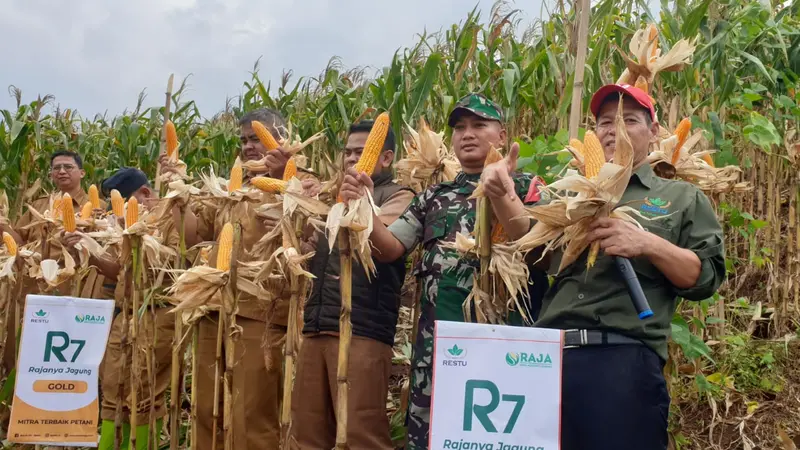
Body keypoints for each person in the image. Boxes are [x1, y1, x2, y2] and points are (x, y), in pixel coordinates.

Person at [518, 84, 725, 450]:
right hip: (547, 361)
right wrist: (505, 196)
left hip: (621, 362)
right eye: (604, 122)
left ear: (654, 132)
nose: (612, 130)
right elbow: (537, 260)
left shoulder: (680, 197)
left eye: (628, 120)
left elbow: (704, 278)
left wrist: (647, 243)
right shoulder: (569, 195)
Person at [338, 94, 548, 450]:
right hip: (441, 355)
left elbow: (534, 248)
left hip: (507, 352)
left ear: (502, 135)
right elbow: (388, 248)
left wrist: (501, 192)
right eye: (459, 127)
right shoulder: (433, 196)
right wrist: (363, 205)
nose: (467, 134)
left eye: (479, 125)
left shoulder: (528, 187)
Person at [190, 108, 320, 449]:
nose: (249, 146)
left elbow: (310, 239)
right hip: (213, 308)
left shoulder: (306, 183)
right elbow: (195, 237)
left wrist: (286, 184)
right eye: (245, 140)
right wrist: (176, 197)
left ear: (284, 139)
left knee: (251, 415)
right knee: (207, 408)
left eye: (258, 138)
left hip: (260, 315)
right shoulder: (233, 186)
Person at [289, 120, 415, 449]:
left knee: (361, 434)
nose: (351, 159)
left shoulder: (400, 196)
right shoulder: (333, 199)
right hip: (317, 327)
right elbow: (305, 249)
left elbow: (382, 244)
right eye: (347, 153)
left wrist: (360, 202)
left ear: (385, 158)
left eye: (361, 152)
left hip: (362, 330)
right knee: (307, 432)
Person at [65, 167, 188, 450]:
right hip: (125, 313)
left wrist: (134, 238)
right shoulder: (126, 224)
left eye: (119, 201)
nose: (112, 210)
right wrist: (84, 249)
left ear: (144, 193)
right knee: (112, 389)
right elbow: (119, 271)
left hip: (157, 314)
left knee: (143, 394)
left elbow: (170, 269)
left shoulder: (172, 219)